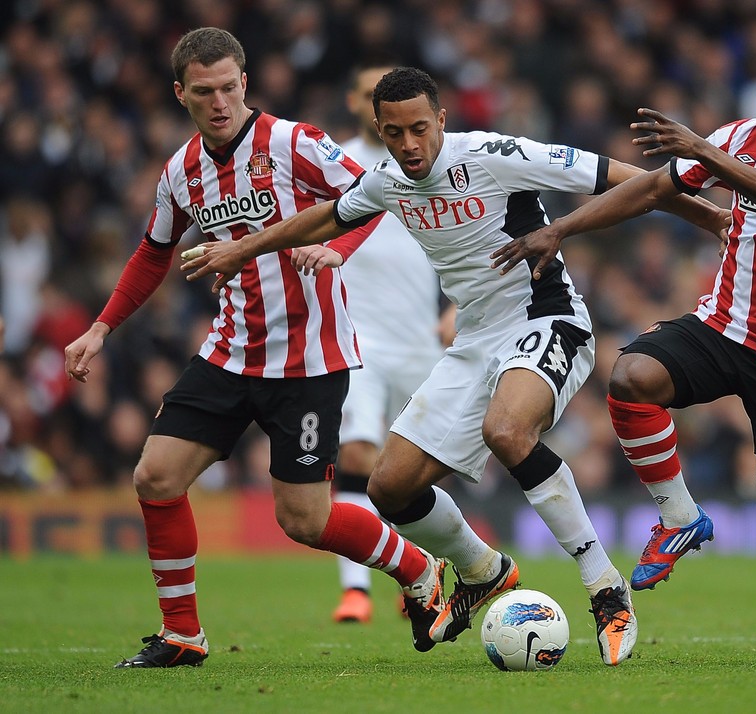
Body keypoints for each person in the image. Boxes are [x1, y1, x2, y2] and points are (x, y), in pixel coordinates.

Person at [183, 66, 728, 666]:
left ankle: (605, 589)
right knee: (390, 488)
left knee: (507, 431)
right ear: (380, 131)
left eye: (420, 128)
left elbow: (619, 177)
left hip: (545, 318)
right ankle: (482, 569)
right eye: (395, 133)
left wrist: (711, 219)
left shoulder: (493, 155)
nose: (410, 144)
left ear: (441, 120)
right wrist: (244, 248)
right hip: (474, 340)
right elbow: (329, 216)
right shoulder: (387, 181)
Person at [63, 28, 446, 669]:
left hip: (308, 360)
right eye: (203, 92)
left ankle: (418, 569)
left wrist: (335, 248)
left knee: (304, 520)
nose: (219, 103)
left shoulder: (295, 142)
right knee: (155, 476)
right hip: (229, 352)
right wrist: (101, 327)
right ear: (180, 93)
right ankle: (182, 635)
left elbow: (373, 196)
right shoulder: (180, 172)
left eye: (228, 88)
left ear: (245, 83)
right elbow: (153, 253)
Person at [491, 39, 756, 663]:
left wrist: (704, 151)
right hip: (723, 324)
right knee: (632, 376)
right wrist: (561, 228)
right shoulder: (741, 137)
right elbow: (650, 190)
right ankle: (679, 516)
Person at [295, 62, 449, 625]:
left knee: (416, 467)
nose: (372, 104)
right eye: (366, 95)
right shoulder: (335, 164)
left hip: (420, 340)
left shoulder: (432, 163)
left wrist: (455, 307)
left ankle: (421, 575)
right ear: (358, 103)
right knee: (358, 451)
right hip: (355, 337)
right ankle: (356, 589)